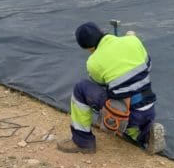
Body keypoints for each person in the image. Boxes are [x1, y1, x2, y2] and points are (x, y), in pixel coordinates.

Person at [57, 22, 166, 155]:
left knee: (81, 89)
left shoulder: (93, 62)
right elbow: (147, 66)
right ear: (102, 31)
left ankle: (83, 142)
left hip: (126, 114)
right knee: (130, 93)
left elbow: (100, 83)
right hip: (149, 107)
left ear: (88, 48)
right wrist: (130, 42)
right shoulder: (133, 41)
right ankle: (146, 134)